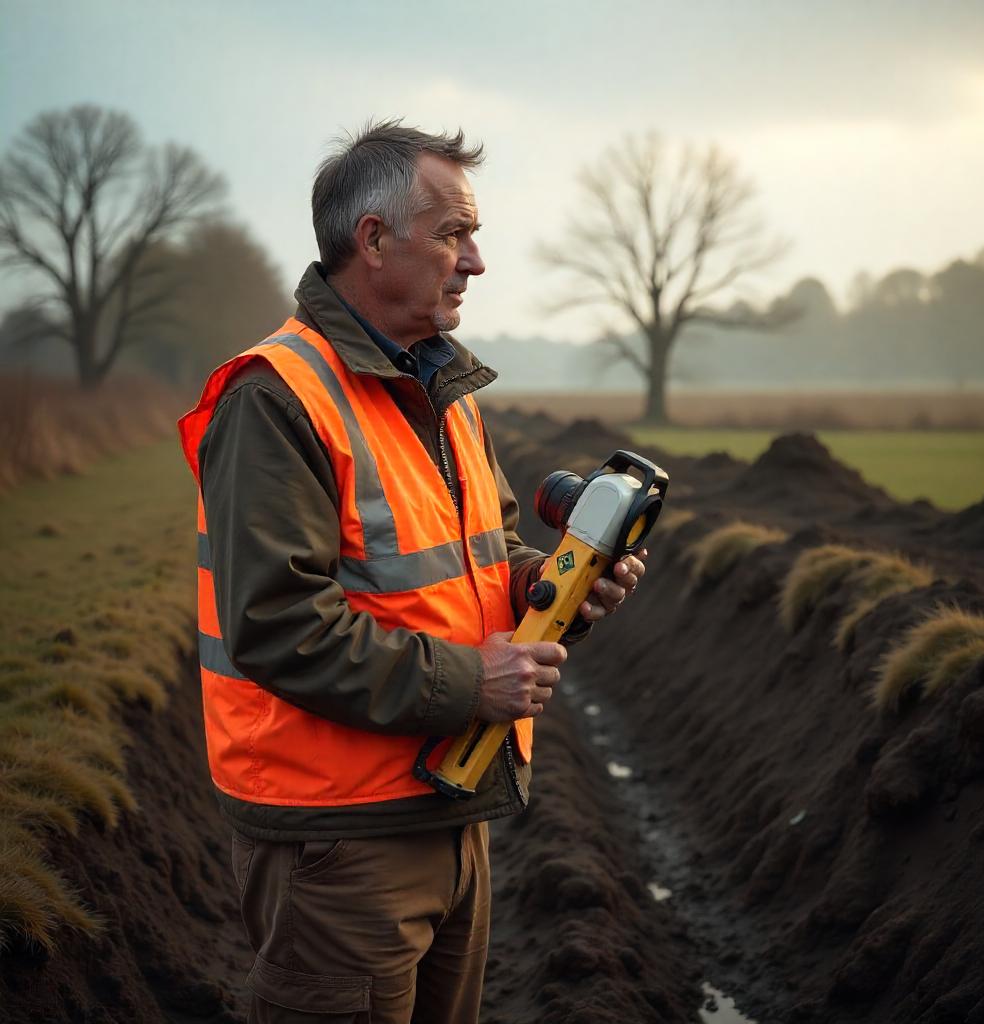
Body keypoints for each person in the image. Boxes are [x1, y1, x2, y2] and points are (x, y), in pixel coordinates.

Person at [178, 120, 646, 1024]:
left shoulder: (437, 387)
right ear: (375, 239)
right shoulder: (274, 398)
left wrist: (555, 586)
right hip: (342, 843)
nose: (475, 262)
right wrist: (478, 680)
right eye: (454, 234)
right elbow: (279, 625)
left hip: (447, 806)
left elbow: (480, 559)